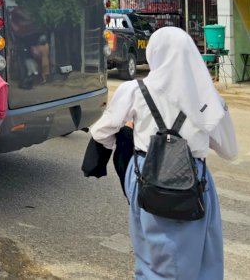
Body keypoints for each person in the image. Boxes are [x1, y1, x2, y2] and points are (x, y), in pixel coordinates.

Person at [89, 27, 238, 279]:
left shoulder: (134, 91)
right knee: (201, 258)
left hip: (146, 174)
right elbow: (229, 150)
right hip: (193, 180)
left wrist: (128, 137)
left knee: (151, 257)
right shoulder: (207, 98)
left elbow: (100, 133)